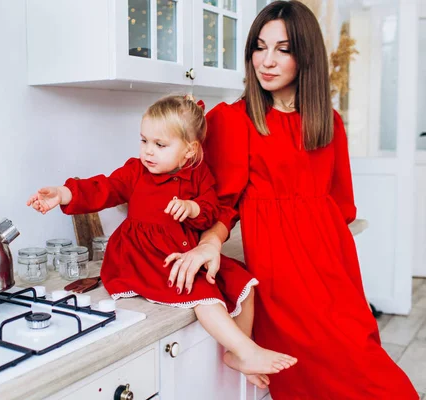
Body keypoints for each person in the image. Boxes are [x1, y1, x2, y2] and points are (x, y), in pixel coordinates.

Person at [163, 2, 419, 399]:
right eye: (259, 47)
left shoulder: (328, 121)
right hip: (283, 277)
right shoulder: (234, 119)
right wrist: (210, 242)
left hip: (335, 270)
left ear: (306, 56)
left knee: (370, 367)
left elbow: (342, 206)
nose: (266, 61)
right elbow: (223, 204)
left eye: (283, 49)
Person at [27, 94, 297, 386]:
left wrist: (193, 208)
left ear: (189, 151)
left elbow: (211, 213)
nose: (148, 152)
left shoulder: (199, 175)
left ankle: (239, 351)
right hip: (143, 257)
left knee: (244, 283)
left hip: (182, 252)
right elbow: (103, 188)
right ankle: (247, 351)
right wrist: (63, 193)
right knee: (203, 295)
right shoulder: (136, 172)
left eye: (160, 144)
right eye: (144, 141)